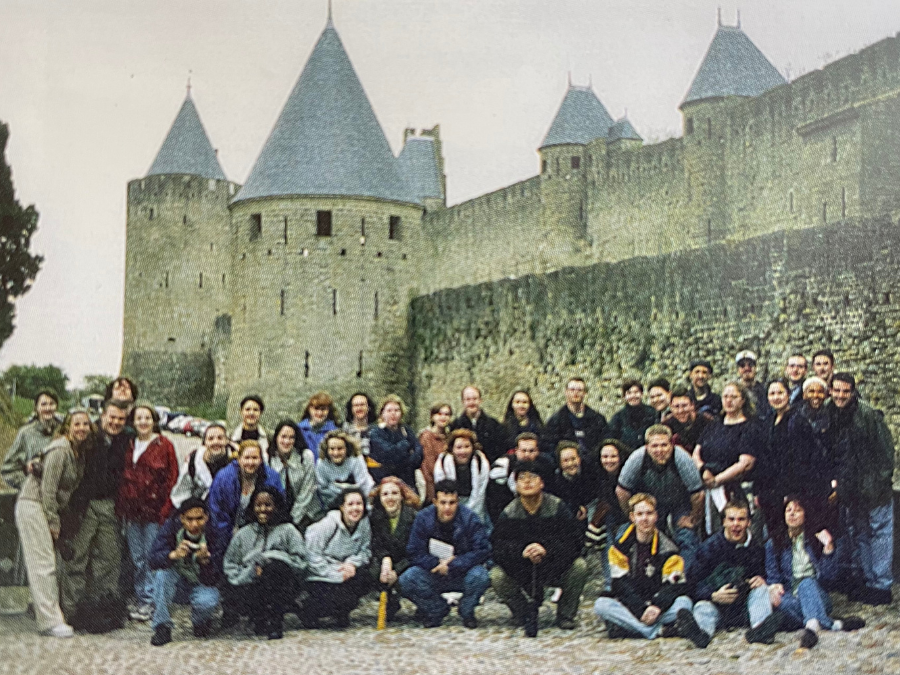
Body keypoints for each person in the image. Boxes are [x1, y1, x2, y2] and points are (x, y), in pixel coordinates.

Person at [15, 410, 93, 637]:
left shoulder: (77, 453)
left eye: (86, 424)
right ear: (68, 427)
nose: (81, 428)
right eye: (77, 424)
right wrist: (53, 522)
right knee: (43, 563)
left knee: (46, 562)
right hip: (34, 504)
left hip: (42, 507)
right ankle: (49, 622)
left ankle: (49, 615)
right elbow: (48, 490)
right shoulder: (60, 450)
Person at [491, 460, 587, 632]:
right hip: (522, 569)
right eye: (521, 478)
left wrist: (547, 550)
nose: (527, 482)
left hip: (554, 566)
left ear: (542, 483)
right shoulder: (509, 513)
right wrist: (522, 552)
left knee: (579, 567)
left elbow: (574, 542)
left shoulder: (557, 507)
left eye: (533, 477)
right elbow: (499, 548)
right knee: (497, 576)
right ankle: (522, 612)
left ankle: (566, 614)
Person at [827, 372, 895, 605]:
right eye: (837, 390)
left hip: (874, 488)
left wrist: (879, 482)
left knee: (880, 534)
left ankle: (882, 585)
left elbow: (886, 453)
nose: (840, 395)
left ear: (853, 392)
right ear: (831, 390)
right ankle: (869, 580)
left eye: (846, 391)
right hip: (852, 489)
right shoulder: (831, 413)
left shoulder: (867, 414)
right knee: (861, 535)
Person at [62, 399, 129, 625]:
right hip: (85, 504)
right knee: (77, 557)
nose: (116, 422)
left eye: (121, 419)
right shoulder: (89, 438)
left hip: (110, 505)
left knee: (109, 559)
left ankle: (105, 609)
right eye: (112, 417)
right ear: (102, 416)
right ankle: (70, 611)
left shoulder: (124, 440)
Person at [766, 497, 865, 649]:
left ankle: (812, 626)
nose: (792, 514)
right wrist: (774, 587)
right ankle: (831, 623)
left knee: (806, 583)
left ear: (806, 515)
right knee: (781, 604)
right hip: (790, 596)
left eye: (797, 510)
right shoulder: (774, 543)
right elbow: (773, 576)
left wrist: (828, 549)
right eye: (788, 510)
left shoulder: (815, 539)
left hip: (817, 593)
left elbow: (828, 578)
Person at [680, 499, 779, 648]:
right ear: (724, 522)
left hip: (742, 606)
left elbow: (762, 574)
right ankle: (701, 633)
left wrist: (760, 580)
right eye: (731, 519)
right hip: (716, 604)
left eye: (741, 519)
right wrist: (713, 595)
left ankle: (760, 629)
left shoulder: (755, 547)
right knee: (703, 607)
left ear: (749, 523)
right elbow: (692, 584)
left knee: (761, 591)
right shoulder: (709, 548)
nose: (736, 524)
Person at [593, 493, 692, 639]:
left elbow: (674, 585)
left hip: (657, 603)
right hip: (632, 603)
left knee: (685, 603)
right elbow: (619, 584)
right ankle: (656, 631)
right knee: (601, 605)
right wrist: (640, 610)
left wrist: (657, 606)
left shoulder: (669, 548)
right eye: (640, 514)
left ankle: (630, 628)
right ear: (632, 517)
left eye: (649, 513)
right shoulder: (620, 547)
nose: (645, 519)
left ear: (656, 516)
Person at [117, 403, 179, 621]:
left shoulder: (164, 445)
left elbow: (172, 479)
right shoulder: (130, 444)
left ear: (154, 421)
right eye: (139, 418)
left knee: (153, 556)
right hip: (133, 511)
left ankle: (155, 601)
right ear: (133, 422)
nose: (143, 422)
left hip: (154, 511)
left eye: (147, 418)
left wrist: (166, 509)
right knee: (138, 558)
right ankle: (143, 596)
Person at [401, 480, 491, 628]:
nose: (447, 507)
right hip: (433, 571)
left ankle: (466, 611)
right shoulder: (423, 518)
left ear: (458, 501)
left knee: (481, 576)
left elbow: (482, 550)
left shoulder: (470, 518)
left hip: (462, 571)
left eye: (452, 502)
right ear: (435, 501)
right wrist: (436, 563)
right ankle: (436, 609)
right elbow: (414, 550)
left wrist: (455, 563)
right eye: (443, 503)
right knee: (408, 579)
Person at [224, 487, 308, 639]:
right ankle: (258, 617)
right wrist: (251, 570)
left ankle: (275, 622)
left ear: (276, 506)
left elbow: (301, 563)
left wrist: (271, 558)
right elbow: (230, 564)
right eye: (258, 505)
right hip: (250, 582)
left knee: (273, 569)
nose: (263, 509)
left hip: (282, 583)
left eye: (268, 505)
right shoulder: (244, 534)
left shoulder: (288, 531)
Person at [616, 425, 703, 569]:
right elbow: (621, 491)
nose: (659, 451)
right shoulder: (637, 459)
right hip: (651, 503)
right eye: (654, 446)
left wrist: (694, 518)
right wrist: (631, 516)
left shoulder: (682, 459)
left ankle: (682, 577)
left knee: (687, 537)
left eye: (664, 445)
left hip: (680, 502)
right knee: (631, 534)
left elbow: (698, 493)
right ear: (647, 446)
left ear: (672, 445)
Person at [755, 379, 832, 540]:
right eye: (772, 394)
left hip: (791, 491)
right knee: (774, 536)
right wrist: (759, 490)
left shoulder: (797, 421)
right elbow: (763, 458)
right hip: (770, 491)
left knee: (792, 536)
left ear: (788, 395)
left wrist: (791, 493)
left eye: (780, 393)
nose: (776, 397)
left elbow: (801, 460)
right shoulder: (768, 421)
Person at [148, 498, 221, 646]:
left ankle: (200, 621)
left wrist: (206, 562)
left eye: (199, 519)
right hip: (177, 581)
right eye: (189, 519)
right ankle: (162, 626)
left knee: (209, 600)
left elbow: (219, 573)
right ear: (182, 518)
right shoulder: (171, 527)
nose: (194, 524)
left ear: (206, 517)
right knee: (161, 576)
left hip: (200, 580)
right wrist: (172, 555)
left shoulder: (214, 531)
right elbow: (152, 559)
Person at [692, 381, 762, 535]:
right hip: (709, 487)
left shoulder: (750, 428)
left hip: (734, 490)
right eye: (725, 396)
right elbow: (696, 452)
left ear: (742, 400)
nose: (729, 400)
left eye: (734, 397)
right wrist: (703, 470)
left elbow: (745, 463)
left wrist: (717, 480)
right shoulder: (714, 425)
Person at [302, 487, 372, 628]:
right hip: (320, 573)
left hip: (345, 570)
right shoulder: (329, 524)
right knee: (334, 597)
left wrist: (352, 563)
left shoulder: (364, 524)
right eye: (350, 504)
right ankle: (309, 610)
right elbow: (311, 554)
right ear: (342, 507)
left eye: (359, 504)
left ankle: (341, 612)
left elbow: (366, 551)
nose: (355, 508)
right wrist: (335, 574)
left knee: (365, 578)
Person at [208, 440, 284, 567]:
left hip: (259, 530)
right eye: (247, 458)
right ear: (239, 459)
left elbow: (279, 507)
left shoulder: (272, 478)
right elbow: (216, 512)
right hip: (229, 529)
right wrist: (230, 536)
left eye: (255, 458)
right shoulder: (223, 478)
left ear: (261, 460)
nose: (250, 462)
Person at [368, 477, 421, 623]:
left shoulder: (414, 517)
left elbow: (415, 550)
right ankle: (389, 601)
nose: (390, 498)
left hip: (407, 561)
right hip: (385, 562)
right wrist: (385, 560)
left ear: (402, 496)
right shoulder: (374, 517)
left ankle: (422, 604)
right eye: (385, 494)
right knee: (373, 570)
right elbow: (375, 544)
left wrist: (396, 571)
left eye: (394, 493)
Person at [1, 389, 61, 490]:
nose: (48, 408)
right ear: (36, 408)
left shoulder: (64, 430)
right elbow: (8, 469)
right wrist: (29, 487)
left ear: (56, 407)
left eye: (51, 404)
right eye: (43, 404)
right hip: (36, 495)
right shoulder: (26, 433)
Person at [169, 423, 233, 515]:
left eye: (220, 438)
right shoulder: (193, 461)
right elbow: (182, 491)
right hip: (198, 509)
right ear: (204, 443)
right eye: (210, 439)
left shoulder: (235, 460)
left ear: (227, 441)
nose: (216, 442)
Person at [269, 419, 321, 531]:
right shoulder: (269, 459)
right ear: (276, 437)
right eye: (283, 437)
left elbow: (307, 492)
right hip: (279, 514)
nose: (287, 441)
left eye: (291, 437)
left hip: (306, 513)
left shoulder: (306, 457)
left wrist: (293, 519)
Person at [433, 428, 491, 524]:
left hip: (477, 502)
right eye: (459, 447)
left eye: (467, 446)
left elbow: (481, 491)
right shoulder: (442, 462)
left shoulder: (481, 462)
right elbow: (442, 489)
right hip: (451, 500)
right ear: (452, 448)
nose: (463, 451)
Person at [542, 378, 608, 458]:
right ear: (566, 392)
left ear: (585, 393)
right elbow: (549, 447)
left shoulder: (598, 419)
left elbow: (604, 444)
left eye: (579, 390)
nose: (576, 393)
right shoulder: (555, 421)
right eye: (572, 390)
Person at [368, 395, 422, 488]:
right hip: (384, 479)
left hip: (407, 479)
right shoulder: (375, 432)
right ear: (382, 414)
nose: (393, 413)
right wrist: (405, 445)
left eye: (396, 410)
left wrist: (408, 460)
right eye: (389, 411)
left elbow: (418, 452)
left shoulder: (406, 430)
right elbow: (388, 453)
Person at [315, 430, 374, 510]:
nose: (336, 453)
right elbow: (322, 488)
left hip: (360, 501)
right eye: (332, 449)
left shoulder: (356, 459)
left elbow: (363, 485)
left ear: (347, 448)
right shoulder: (321, 463)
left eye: (340, 449)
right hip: (334, 504)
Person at [449, 386, 507, 462]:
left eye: (474, 399)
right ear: (463, 402)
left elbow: (500, 449)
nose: (471, 402)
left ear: (480, 400)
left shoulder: (493, 424)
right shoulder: (455, 425)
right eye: (468, 399)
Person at [548, 440, 600, 525]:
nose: (570, 463)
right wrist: (576, 508)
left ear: (579, 458)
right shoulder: (557, 478)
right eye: (565, 460)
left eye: (573, 459)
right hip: (572, 506)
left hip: (593, 503)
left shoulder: (591, 469)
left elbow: (596, 492)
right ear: (560, 463)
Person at [607, 380, 657, 451]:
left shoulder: (652, 412)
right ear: (624, 396)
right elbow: (613, 439)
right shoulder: (618, 417)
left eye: (636, 392)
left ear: (641, 394)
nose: (633, 396)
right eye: (629, 393)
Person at [662, 386, 713, 453]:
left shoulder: (707, 422)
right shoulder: (666, 425)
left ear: (692, 405)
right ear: (671, 407)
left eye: (684, 406)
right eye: (676, 406)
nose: (680, 411)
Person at [418, 403, 452, 502]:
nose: (443, 417)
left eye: (446, 414)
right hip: (433, 484)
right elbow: (428, 465)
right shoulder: (427, 437)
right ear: (432, 417)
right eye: (439, 414)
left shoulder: (449, 437)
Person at [298, 391, 340, 461]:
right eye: (316, 408)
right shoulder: (298, 430)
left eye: (323, 409)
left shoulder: (335, 432)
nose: (319, 413)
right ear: (310, 409)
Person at [230, 395, 269, 460]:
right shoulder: (231, 437)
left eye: (255, 410)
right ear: (241, 411)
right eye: (248, 409)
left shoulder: (267, 438)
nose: (251, 413)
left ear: (261, 413)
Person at [735, 350, 769, 419]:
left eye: (750, 365)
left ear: (755, 368)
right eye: (742, 365)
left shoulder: (764, 390)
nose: (747, 368)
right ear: (738, 370)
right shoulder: (734, 391)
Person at [343, 392, 377, 457]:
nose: (359, 408)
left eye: (362, 405)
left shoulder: (377, 430)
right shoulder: (344, 430)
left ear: (369, 407)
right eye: (356, 405)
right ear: (351, 409)